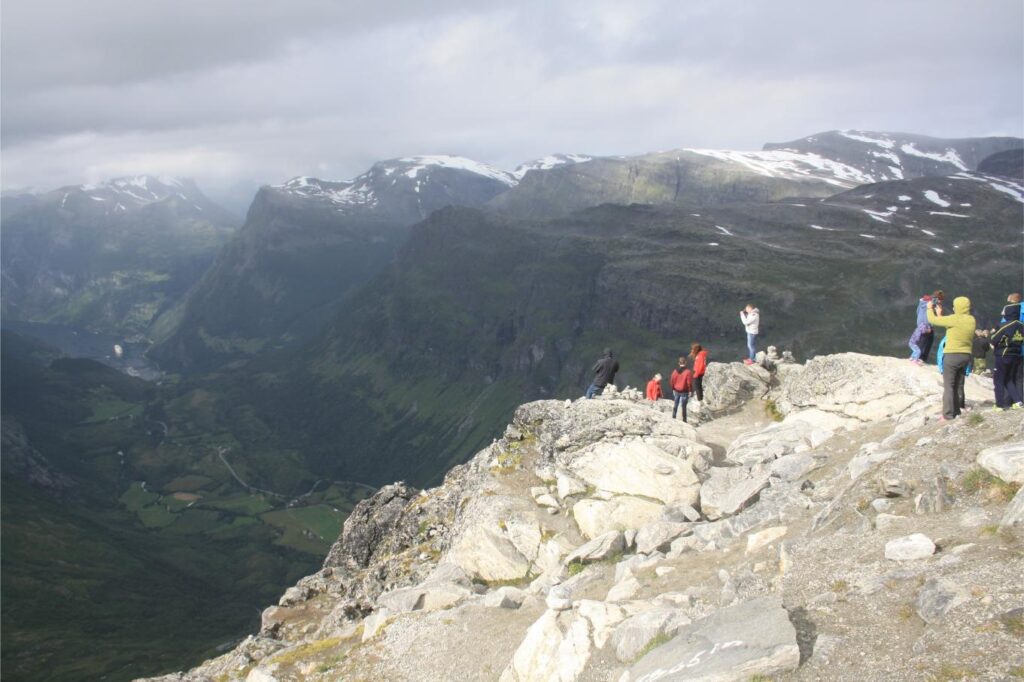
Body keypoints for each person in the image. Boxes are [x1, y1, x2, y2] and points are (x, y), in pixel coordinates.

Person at [927, 296, 976, 421]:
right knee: (957, 384)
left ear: (957, 307)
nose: (953, 308)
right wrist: (941, 315)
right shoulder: (971, 320)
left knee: (949, 385)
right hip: (966, 356)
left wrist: (929, 309)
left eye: (954, 306)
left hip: (952, 355)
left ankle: (948, 415)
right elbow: (951, 323)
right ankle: (956, 411)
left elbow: (932, 320)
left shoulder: (953, 319)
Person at [990, 299, 1024, 410]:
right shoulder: (1021, 325)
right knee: (1009, 379)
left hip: (1003, 355)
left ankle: (999, 405)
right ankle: (1018, 402)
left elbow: (994, 339)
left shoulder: (1004, 325)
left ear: (1008, 313)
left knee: (998, 380)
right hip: (1016, 355)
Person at [915, 291, 944, 363]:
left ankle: (917, 358)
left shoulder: (923, 301)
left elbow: (917, 311)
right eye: (941, 300)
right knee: (925, 342)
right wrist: (939, 308)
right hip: (926, 326)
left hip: (920, 324)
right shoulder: (932, 303)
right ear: (938, 298)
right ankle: (919, 359)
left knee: (922, 341)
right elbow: (938, 316)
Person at [669, 357, 693, 421]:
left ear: (679, 363)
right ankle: (684, 420)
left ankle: (673, 417)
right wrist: (690, 391)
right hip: (684, 391)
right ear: (685, 362)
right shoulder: (688, 372)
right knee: (684, 406)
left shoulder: (675, 371)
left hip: (676, 390)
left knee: (676, 404)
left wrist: (673, 388)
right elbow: (689, 382)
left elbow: (672, 381)